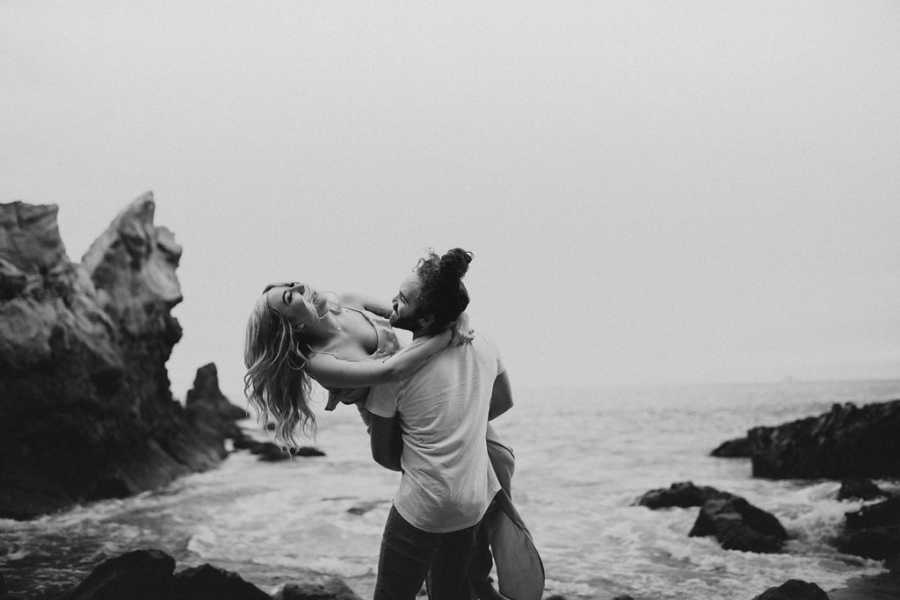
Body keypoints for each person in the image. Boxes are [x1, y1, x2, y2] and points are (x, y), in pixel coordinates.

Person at [365, 247, 520, 600]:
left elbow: (385, 456)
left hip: (422, 507)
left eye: (403, 300)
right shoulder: (483, 343)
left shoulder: (395, 372)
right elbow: (504, 400)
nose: (393, 300)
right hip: (469, 503)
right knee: (451, 593)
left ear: (426, 319)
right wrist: (459, 424)